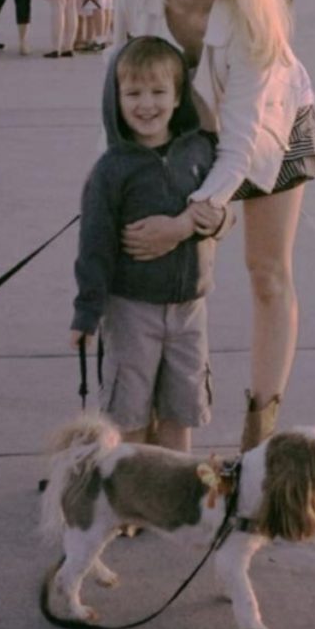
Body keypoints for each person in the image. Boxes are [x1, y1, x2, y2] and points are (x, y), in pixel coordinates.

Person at [112, 0, 315, 451]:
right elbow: (119, 85)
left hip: (269, 128)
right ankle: (150, 434)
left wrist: (191, 218)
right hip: (182, 124)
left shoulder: (255, 23)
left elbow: (240, 145)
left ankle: (259, 438)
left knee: (267, 272)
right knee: (160, 281)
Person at [71, 38, 231, 452]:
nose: (147, 105)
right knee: (129, 415)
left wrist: (219, 221)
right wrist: (87, 312)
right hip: (130, 310)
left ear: (178, 98)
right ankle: (131, 498)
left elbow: (224, 209)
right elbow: (95, 246)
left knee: (181, 411)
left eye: (159, 92)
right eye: (134, 93)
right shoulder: (111, 170)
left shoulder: (200, 153)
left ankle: (173, 501)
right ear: (116, 99)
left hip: (189, 309)